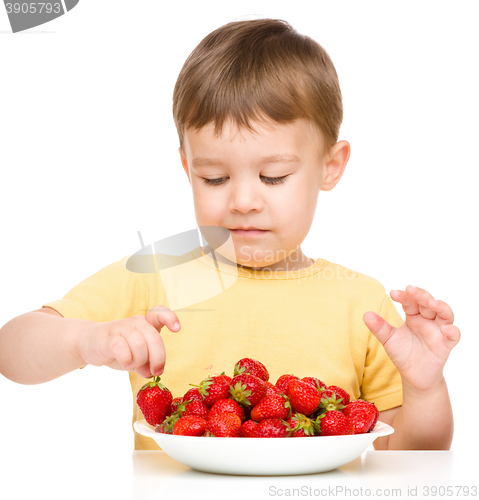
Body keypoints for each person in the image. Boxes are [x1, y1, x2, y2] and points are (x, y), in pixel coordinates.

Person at [0, 19, 460, 451]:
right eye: (215, 178)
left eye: (274, 176)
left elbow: (410, 453)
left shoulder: (362, 304)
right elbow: (12, 350)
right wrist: (85, 341)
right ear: (187, 168)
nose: (242, 201)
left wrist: (425, 387)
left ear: (331, 166)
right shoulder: (156, 274)